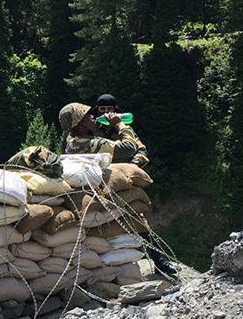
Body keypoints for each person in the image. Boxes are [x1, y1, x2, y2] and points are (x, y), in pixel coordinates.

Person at [59, 95, 175, 276]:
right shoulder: (94, 138)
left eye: (109, 109)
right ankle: (154, 260)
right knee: (134, 218)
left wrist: (134, 165)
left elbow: (139, 148)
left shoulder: (75, 138)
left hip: (119, 180)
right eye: (99, 112)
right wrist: (121, 124)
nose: (102, 114)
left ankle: (158, 259)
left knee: (134, 216)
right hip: (101, 184)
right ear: (81, 124)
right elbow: (127, 146)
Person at [58, 94, 149, 167]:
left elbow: (140, 148)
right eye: (102, 109)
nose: (106, 112)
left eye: (110, 109)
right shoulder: (121, 129)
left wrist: (135, 163)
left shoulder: (72, 141)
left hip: (123, 167)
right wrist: (119, 124)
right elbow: (129, 147)